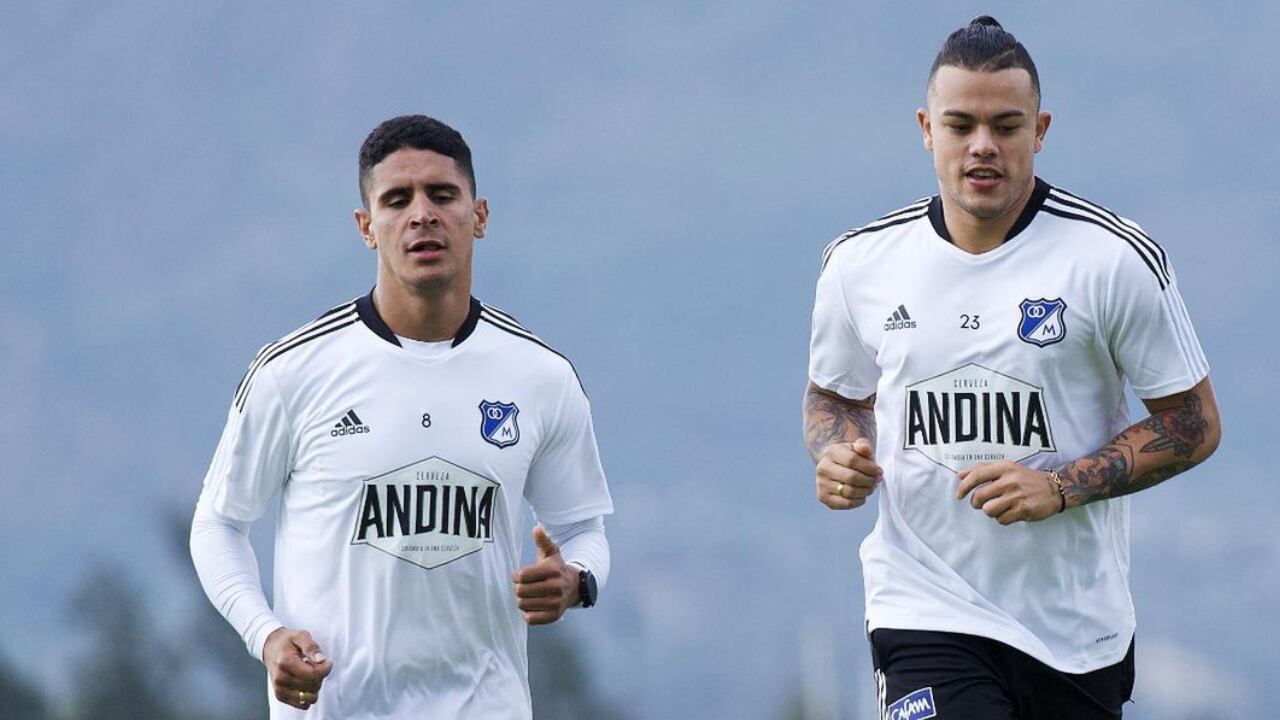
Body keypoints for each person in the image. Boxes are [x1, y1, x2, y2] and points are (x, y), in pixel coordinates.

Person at [803, 16, 1220, 720]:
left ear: (1041, 129)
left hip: (1074, 634)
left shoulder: (1111, 259)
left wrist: (1058, 487)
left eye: (1006, 125)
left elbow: (1193, 422)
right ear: (925, 128)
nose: (982, 147)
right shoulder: (859, 265)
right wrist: (837, 453)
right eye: (960, 124)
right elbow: (832, 397)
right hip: (923, 610)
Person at [190, 114, 613, 719]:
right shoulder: (294, 371)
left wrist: (576, 580)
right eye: (396, 200)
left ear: (480, 215)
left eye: (442, 195)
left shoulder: (540, 376)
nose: (422, 214)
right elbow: (218, 525)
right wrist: (266, 634)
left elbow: (583, 530)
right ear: (367, 227)